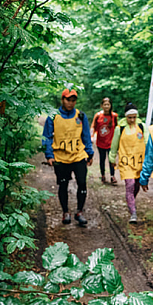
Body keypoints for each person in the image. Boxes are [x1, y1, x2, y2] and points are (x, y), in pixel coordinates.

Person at [42, 88, 94, 227]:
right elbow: (46, 136)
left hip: (78, 155)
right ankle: (65, 212)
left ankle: (79, 212)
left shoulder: (81, 116)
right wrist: (49, 155)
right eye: (68, 100)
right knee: (63, 185)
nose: (71, 103)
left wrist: (90, 153)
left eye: (73, 100)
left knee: (82, 183)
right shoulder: (53, 116)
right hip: (61, 157)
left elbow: (86, 136)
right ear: (62, 100)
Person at [109, 102, 148, 223]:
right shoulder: (119, 129)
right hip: (126, 163)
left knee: (136, 186)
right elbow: (114, 146)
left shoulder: (142, 127)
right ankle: (133, 212)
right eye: (129, 117)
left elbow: (148, 143)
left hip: (139, 162)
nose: (132, 120)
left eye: (134, 117)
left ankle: (131, 200)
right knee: (130, 185)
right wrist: (112, 159)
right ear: (126, 117)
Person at [91, 97, 118, 184]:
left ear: (110, 105)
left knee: (111, 159)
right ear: (101, 106)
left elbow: (117, 128)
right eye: (105, 104)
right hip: (101, 142)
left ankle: (112, 176)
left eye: (108, 104)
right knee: (102, 159)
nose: (106, 106)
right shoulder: (98, 115)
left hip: (111, 142)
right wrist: (92, 136)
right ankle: (102, 175)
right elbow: (93, 127)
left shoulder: (114, 116)